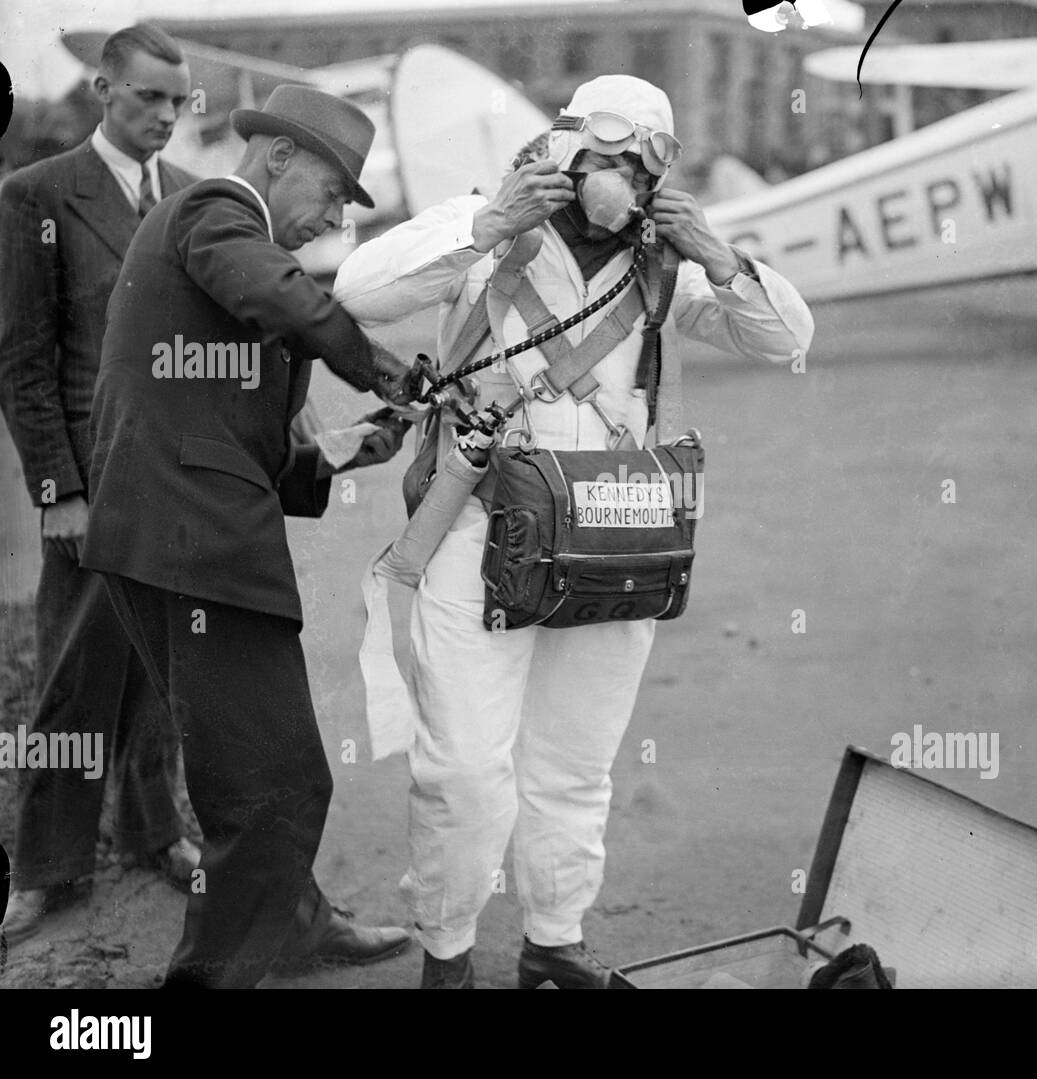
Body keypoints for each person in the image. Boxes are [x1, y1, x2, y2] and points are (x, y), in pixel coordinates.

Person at [334, 74, 815, 988]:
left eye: (638, 159)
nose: (615, 173)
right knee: (467, 770)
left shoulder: (666, 265)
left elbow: (786, 337)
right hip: (480, 535)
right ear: (563, 150)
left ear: (656, 174)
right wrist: (489, 223)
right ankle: (448, 951)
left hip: (614, 540)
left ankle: (553, 938)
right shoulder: (484, 231)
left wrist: (712, 246)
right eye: (601, 152)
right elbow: (360, 290)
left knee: (575, 764)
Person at [79, 84, 415, 988]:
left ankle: (295, 924)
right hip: (192, 544)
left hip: (181, 533)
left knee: (251, 767)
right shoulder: (219, 211)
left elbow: (232, 433)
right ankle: (208, 976)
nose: (335, 217)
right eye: (335, 192)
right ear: (277, 158)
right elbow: (283, 298)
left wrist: (340, 452)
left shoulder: (230, 255)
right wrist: (374, 357)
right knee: (277, 782)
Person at [0, 23, 201, 945]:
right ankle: (47, 866)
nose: (165, 115)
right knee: (73, 680)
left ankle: (157, 829)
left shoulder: (198, 203)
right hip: (91, 481)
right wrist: (58, 491)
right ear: (102, 89)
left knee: (164, 674)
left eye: (177, 99)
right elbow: (22, 359)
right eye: (148, 96)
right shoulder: (37, 196)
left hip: (175, 487)